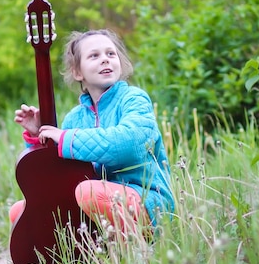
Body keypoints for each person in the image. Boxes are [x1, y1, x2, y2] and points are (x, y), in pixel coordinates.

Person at [10, 29, 174, 239]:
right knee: (19, 211)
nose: (105, 60)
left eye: (110, 54)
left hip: (147, 201)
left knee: (88, 192)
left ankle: (136, 253)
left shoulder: (134, 100)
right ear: (78, 72)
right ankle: (75, 257)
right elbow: (53, 174)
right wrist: (39, 135)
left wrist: (65, 139)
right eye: (94, 56)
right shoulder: (75, 119)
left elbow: (128, 143)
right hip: (94, 202)